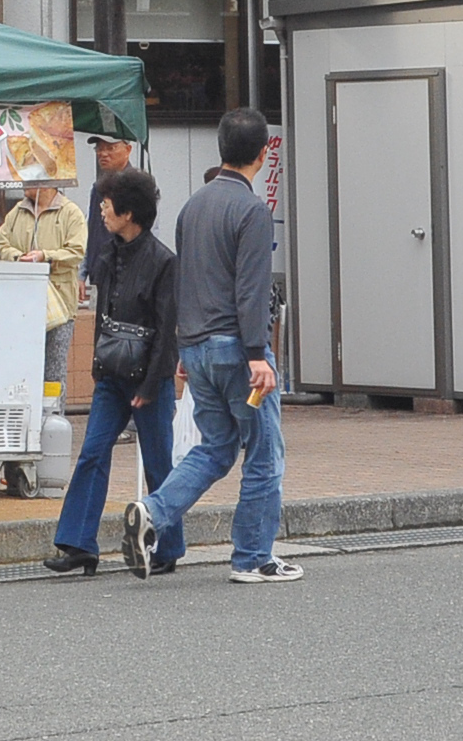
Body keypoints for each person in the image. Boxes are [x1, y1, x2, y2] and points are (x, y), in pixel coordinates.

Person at [121, 107, 296, 584]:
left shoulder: (192, 208)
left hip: (195, 348)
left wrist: (181, 349)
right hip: (239, 351)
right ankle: (253, 557)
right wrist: (258, 354)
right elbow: (252, 289)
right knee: (264, 453)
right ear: (263, 154)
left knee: (216, 449)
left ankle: (153, 510)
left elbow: (183, 282)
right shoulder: (253, 211)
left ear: (221, 150)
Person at [46, 169, 180, 575]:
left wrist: (153, 382)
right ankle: (78, 544)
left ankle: (168, 547)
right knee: (92, 452)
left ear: (129, 212)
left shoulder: (163, 262)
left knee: (158, 462)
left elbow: (166, 328)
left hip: (148, 381)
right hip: (111, 376)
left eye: (108, 203)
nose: (102, 209)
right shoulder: (107, 255)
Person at [0, 174, 87, 485]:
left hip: (59, 306)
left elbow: (77, 251)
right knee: (19, 372)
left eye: (30, 178)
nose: (23, 184)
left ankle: (50, 442)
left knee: (53, 374)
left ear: (48, 182)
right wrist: (17, 257)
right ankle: (18, 445)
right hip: (21, 307)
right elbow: (0, 242)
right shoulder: (17, 211)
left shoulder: (69, 212)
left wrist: (46, 256)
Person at [80, 137, 140, 295]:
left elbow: (148, 232)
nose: (103, 153)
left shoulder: (138, 187)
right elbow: (90, 231)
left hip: (126, 277)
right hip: (98, 275)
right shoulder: (97, 189)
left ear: (128, 150)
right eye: (99, 149)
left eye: (110, 148)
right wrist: (82, 273)